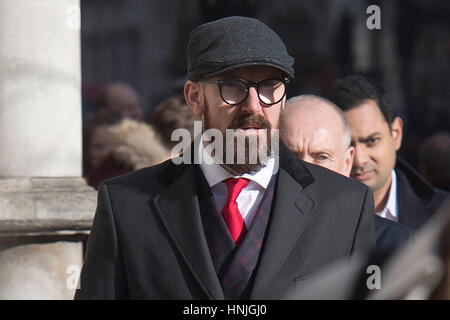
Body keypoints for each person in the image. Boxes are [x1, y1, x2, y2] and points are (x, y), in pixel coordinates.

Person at [75, 16, 375, 300]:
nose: (254, 107)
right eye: (233, 87)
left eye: (270, 86)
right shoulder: (127, 205)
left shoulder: (344, 206)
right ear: (194, 98)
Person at [281, 94, 412, 262]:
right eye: (292, 156)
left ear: (347, 162)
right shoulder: (250, 234)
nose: (305, 168)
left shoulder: (391, 243)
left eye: (322, 157)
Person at [325, 75, 449, 232]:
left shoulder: (443, 217)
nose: (359, 160)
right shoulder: (311, 219)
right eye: (347, 145)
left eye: (371, 141)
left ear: (396, 134)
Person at [87, 118, 170, 189]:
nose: (105, 152)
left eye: (111, 146)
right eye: (98, 146)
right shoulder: (94, 179)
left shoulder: (116, 179)